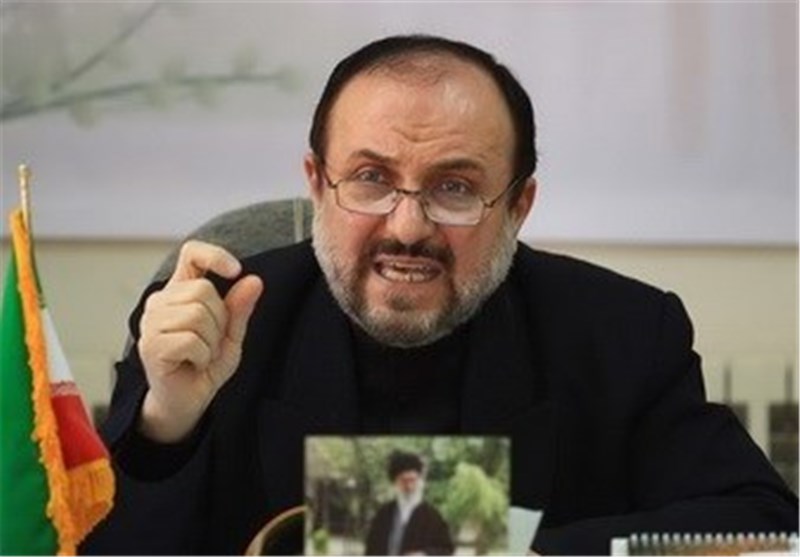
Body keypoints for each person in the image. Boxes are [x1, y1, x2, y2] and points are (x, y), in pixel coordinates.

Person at [81, 34, 797, 555]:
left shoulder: (623, 333)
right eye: (371, 178)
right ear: (317, 183)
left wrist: (502, 552)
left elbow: (762, 528)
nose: (407, 227)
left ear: (518, 206)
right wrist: (165, 424)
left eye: (454, 187)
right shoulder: (214, 318)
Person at [364, 451, 453, 555]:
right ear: (395, 482)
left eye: (412, 480)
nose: (409, 487)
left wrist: (424, 554)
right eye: (404, 481)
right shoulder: (383, 514)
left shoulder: (433, 516)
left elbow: (446, 550)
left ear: (420, 481)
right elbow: (371, 550)